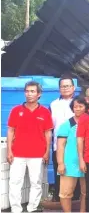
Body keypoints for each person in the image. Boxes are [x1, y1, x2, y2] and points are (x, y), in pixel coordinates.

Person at [7, 81, 53, 213]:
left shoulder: (44, 112)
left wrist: (46, 151)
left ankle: (32, 208)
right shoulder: (16, 110)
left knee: (36, 183)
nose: (29, 94)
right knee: (15, 183)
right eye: (27, 91)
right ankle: (16, 209)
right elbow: (10, 131)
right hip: (17, 154)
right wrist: (9, 150)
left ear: (39, 94)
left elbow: (48, 133)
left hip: (38, 154)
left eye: (32, 91)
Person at [57, 96, 88, 212]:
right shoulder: (66, 125)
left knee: (86, 192)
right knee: (66, 193)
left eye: (81, 106)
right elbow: (60, 145)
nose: (78, 109)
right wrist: (60, 163)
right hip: (69, 163)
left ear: (86, 107)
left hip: (87, 162)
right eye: (75, 106)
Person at [49, 76, 76, 202]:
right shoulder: (54, 105)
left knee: (76, 173)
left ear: (73, 87)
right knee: (59, 171)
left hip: (76, 146)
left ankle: (76, 200)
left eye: (68, 86)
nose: (65, 88)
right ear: (59, 89)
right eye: (63, 86)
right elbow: (50, 127)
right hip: (58, 146)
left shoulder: (80, 103)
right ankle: (59, 200)